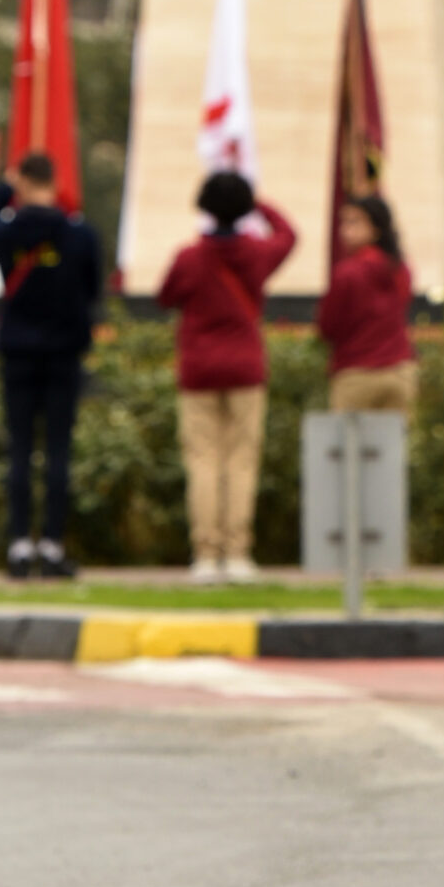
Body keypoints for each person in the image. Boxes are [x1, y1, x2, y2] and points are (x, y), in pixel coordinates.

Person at [158, 171, 296, 585]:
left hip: (198, 369)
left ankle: (205, 553)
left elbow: (166, 297)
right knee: (241, 461)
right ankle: (237, 553)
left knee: (202, 460)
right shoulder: (256, 254)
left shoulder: (189, 258)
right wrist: (259, 202)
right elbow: (289, 234)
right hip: (246, 368)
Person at [0, 152, 102, 580]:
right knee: (59, 450)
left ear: (24, 183)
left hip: (18, 354)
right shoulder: (80, 235)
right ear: (56, 180)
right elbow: (92, 289)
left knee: (20, 451)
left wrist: (5, 187)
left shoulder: (8, 232)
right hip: (64, 354)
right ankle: (51, 544)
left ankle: (19, 546)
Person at [317, 195, 416, 413]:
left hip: (355, 373)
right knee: (394, 444)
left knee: (349, 445)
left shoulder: (347, 273)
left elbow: (328, 326)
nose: (345, 230)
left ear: (377, 226)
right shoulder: (399, 268)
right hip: (400, 370)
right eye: (344, 222)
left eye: (355, 221)